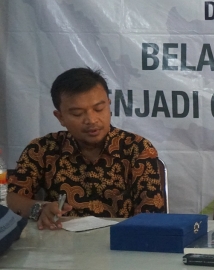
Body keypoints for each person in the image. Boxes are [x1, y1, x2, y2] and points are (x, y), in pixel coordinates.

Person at [7, 67, 166, 230]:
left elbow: (151, 215)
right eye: (77, 113)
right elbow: (13, 198)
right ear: (60, 117)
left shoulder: (137, 149)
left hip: (121, 239)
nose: (91, 120)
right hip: (61, 241)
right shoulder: (43, 149)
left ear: (109, 105)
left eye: (99, 109)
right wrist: (40, 209)